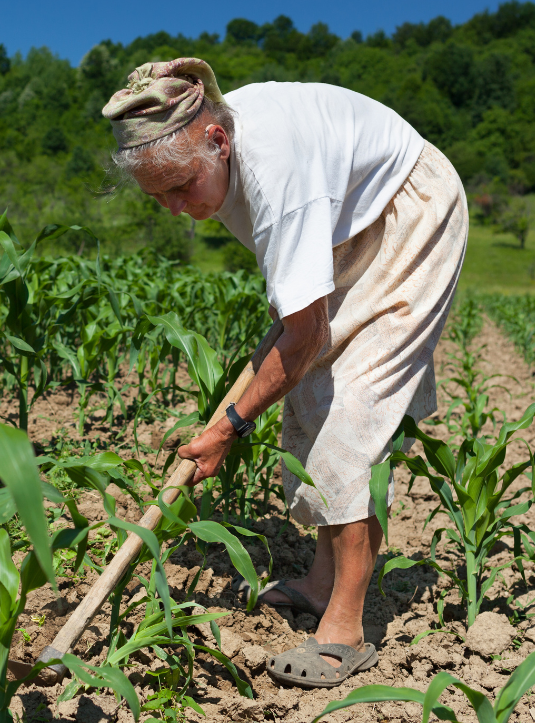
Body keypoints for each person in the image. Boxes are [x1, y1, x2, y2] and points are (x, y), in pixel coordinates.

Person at [102, 58, 467, 688]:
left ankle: (347, 629)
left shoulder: (275, 173)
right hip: (344, 225)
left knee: (353, 411)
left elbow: (302, 338)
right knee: (310, 399)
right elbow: (297, 329)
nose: (173, 207)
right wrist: (238, 408)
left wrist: (229, 426)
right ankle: (322, 582)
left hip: (411, 212)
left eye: (181, 186)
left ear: (217, 140)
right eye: (157, 194)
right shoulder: (223, 154)